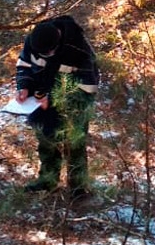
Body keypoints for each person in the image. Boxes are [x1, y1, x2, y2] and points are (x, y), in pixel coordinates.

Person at [14, 15, 100, 196]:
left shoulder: (80, 50)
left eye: (48, 53)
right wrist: (24, 87)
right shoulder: (33, 41)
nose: (44, 56)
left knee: (74, 144)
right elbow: (24, 66)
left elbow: (88, 89)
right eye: (41, 54)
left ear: (58, 39)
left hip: (74, 103)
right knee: (46, 141)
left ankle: (78, 188)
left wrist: (54, 100)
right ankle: (48, 181)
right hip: (40, 101)